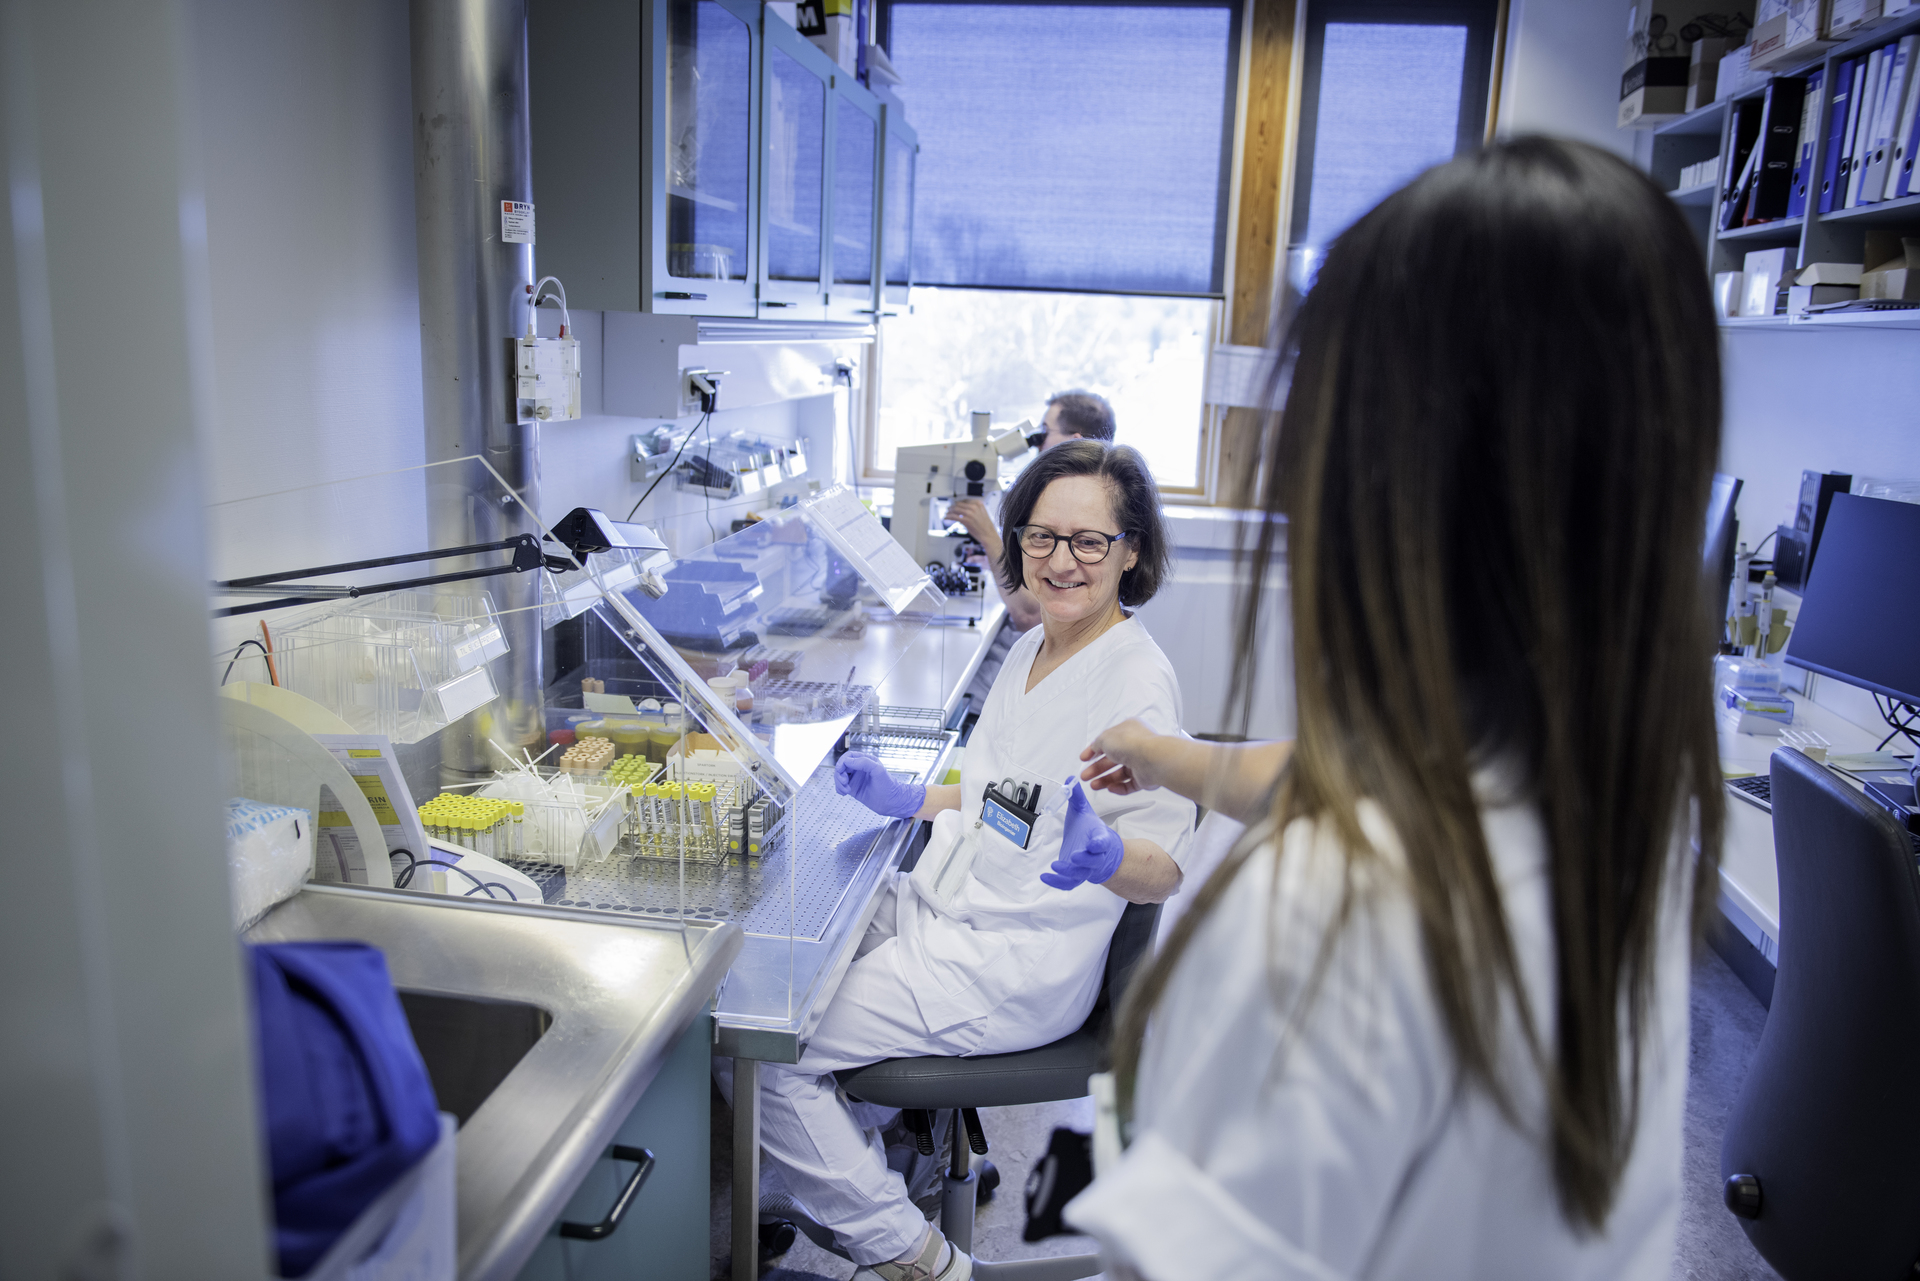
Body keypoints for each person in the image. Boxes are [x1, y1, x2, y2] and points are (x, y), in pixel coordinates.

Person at [1063, 137, 1726, 1278]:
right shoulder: (1624, 803)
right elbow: (1333, 773)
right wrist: (1171, 761)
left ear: (1369, 482)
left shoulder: (1335, 916)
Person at [730, 439, 1195, 1281]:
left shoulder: (1135, 681)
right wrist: (911, 799)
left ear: (1131, 552)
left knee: (761, 1045)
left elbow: (1163, 863)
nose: (1061, 561)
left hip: (1010, 959)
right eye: (1041, 537)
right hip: (949, 903)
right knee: (770, 960)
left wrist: (1110, 856)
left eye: (1089, 541)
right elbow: (1000, 797)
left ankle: (915, 1258)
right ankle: (826, 1165)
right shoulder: (1037, 646)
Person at [948, 390, 1116, 631]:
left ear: (1074, 441)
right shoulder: (1097, 496)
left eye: (1045, 432)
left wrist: (988, 536)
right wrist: (1001, 563)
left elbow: (1028, 617)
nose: (1037, 441)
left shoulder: (1077, 511)